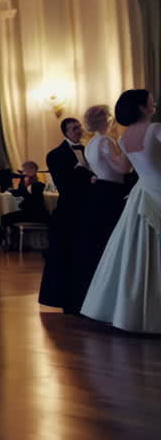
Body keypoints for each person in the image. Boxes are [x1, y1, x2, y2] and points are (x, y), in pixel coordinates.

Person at [81, 90, 161, 332]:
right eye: (150, 100)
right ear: (141, 107)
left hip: (142, 191)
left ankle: (131, 312)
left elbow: (124, 166)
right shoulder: (155, 129)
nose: (154, 102)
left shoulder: (125, 138)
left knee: (136, 253)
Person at [70, 104, 134, 314]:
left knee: (100, 237)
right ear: (107, 120)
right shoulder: (106, 140)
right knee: (110, 237)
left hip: (99, 191)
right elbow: (121, 168)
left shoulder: (90, 143)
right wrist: (127, 149)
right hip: (111, 193)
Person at [39, 118, 94, 309]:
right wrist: (85, 174)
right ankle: (67, 299)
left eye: (79, 127)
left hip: (90, 207)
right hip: (70, 209)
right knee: (68, 253)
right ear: (65, 132)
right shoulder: (55, 154)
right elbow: (64, 183)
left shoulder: (90, 150)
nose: (78, 130)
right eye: (73, 128)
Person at [0, 161, 50, 226]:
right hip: (34, 214)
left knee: (5, 218)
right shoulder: (32, 186)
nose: (23, 179)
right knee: (7, 217)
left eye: (25, 176)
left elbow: (21, 194)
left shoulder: (35, 186)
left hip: (36, 215)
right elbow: (19, 192)